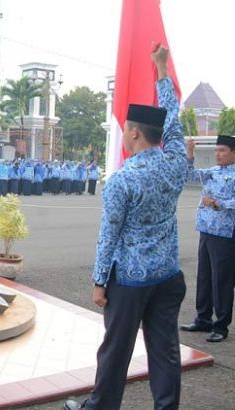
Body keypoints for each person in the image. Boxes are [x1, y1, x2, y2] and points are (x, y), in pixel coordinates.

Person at [64, 46, 187, 410]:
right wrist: (162, 69)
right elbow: (175, 120)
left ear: (133, 133)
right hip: (167, 274)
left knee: (116, 351)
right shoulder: (176, 162)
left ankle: (101, 408)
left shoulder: (122, 180)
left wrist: (100, 281)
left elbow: (109, 234)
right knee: (165, 351)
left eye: (126, 128)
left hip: (130, 281)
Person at [179, 135, 235, 343]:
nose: (217, 154)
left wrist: (216, 203)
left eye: (222, 150)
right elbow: (189, 176)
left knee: (221, 281)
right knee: (204, 277)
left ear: (233, 153)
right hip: (206, 229)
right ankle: (203, 318)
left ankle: (221, 325)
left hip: (226, 233)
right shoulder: (213, 172)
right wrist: (190, 153)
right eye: (216, 150)